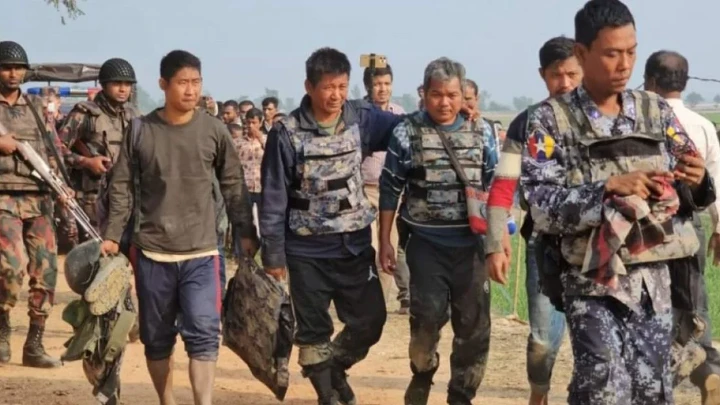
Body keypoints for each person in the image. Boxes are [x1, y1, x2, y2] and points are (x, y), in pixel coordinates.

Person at [519, 1, 714, 404]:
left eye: (631, 52)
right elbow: (540, 204)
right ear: (582, 53)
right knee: (603, 386)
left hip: (654, 281)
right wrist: (608, 189)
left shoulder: (655, 111)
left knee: (652, 391)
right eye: (611, 53)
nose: (624, 64)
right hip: (591, 281)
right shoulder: (550, 121)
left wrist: (697, 180)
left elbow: (688, 173)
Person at [100, 49, 258, 405]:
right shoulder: (140, 131)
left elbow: (233, 184)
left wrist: (246, 232)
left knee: (203, 333)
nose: (191, 90)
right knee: (157, 339)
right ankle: (166, 400)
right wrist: (112, 236)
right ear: (163, 84)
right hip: (152, 252)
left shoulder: (214, 130)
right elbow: (121, 186)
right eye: (183, 83)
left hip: (203, 253)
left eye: (196, 82)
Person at [260, 47, 404, 405]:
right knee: (313, 331)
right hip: (306, 251)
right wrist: (273, 256)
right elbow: (274, 198)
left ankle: (334, 368)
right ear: (309, 86)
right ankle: (328, 395)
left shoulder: (361, 118)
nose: (336, 95)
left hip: (353, 246)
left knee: (371, 320)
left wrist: (445, 113)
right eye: (328, 87)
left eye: (342, 86)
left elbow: (408, 129)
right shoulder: (286, 132)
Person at [378, 57, 498, 405]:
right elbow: (390, 189)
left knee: (473, 330)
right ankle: (423, 371)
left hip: (472, 247)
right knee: (426, 321)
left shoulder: (483, 132)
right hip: (426, 245)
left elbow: (497, 190)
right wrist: (385, 241)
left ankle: (461, 395)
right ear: (423, 93)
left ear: (464, 95)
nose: (444, 103)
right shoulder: (407, 132)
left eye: (451, 95)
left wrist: (498, 244)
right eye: (435, 95)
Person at [485, 36, 582, 405]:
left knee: (597, 344)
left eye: (573, 73)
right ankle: (538, 394)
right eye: (557, 75)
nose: (566, 83)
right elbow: (502, 187)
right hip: (545, 248)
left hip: (599, 251)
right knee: (542, 340)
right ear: (543, 76)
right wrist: (495, 243)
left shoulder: (605, 118)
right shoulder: (525, 124)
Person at [644, 50, 720, 404]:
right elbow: (714, 184)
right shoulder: (702, 126)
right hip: (690, 228)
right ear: (685, 83)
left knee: (651, 308)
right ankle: (710, 371)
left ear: (650, 82)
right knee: (693, 306)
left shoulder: (641, 121)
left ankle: (658, 383)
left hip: (646, 230)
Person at [0, 40, 70, 368]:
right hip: (3, 198)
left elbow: (52, 147)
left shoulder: (35, 107)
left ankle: (34, 345)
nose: (13, 73)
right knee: (9, 269)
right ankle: (1, 332)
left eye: (18, 67)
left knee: (46, 271)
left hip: (38, 198)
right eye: (6, 66)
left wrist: (61, 185)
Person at [58, 58, 141, 241]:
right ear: (104, 84)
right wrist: (86, 162)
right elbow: (57, 150)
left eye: (127, 84)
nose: (123, 89)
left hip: (126, 196)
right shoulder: (84, 114)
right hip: (92, 197)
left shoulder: (134, 115)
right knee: (94, 251)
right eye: (117, 83)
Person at [360, 63, 408, 309]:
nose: (382, 89)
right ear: (368, 86)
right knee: (369, 246)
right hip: (364, 191)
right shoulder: (360, 114)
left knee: (389, 248)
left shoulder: (399, 115)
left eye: (387, 84)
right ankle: (364, 299)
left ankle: (380, 302)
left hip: (392, 194)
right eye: (377, 84)